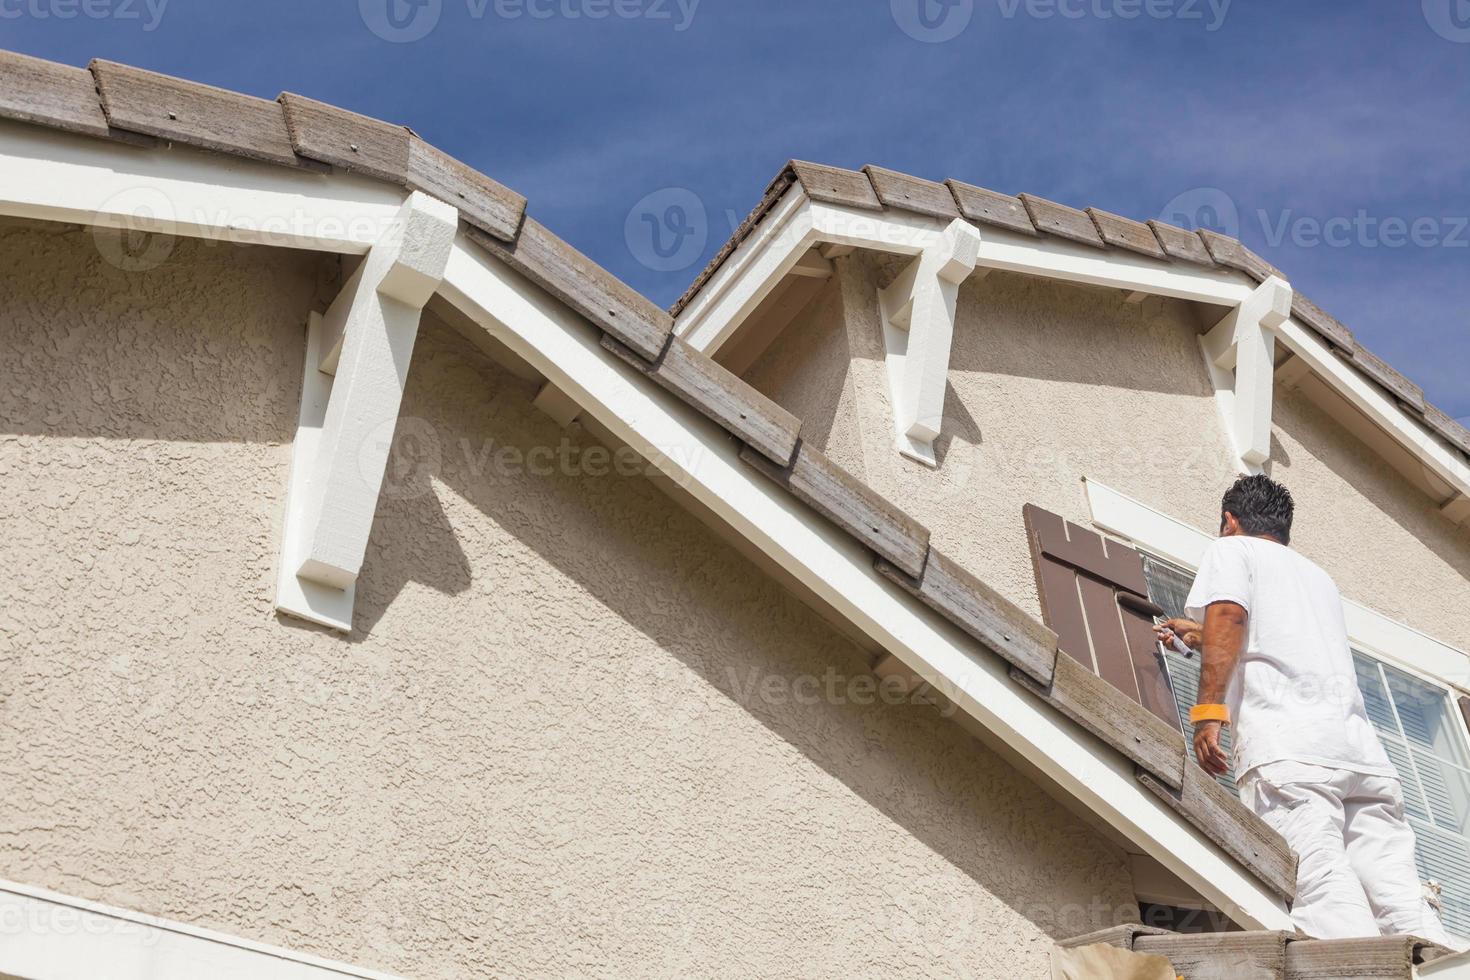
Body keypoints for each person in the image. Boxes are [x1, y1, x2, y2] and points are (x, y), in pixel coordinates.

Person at [1155, 475, 1454, 945]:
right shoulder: (1317, 578)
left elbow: (1230, 617)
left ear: (1230, 521)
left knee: (1323, 887)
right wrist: (1197, 637)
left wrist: (1208, 711)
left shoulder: (1231, 551)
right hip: (1361, 758)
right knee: (1399, 897)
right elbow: (1274, 640)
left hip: (1292, 753)